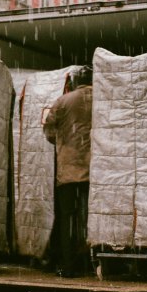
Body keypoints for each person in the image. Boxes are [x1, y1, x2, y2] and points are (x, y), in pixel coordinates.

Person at [43, 66, 93, 278]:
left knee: (67, 219)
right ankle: (94, 262)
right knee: (91, 218)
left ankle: (69, 265)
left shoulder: (63, 101)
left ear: (73, 82)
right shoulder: (103, 99)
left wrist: (60, 140)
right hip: (95, 170)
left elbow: (48, 129)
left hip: (69, 170)